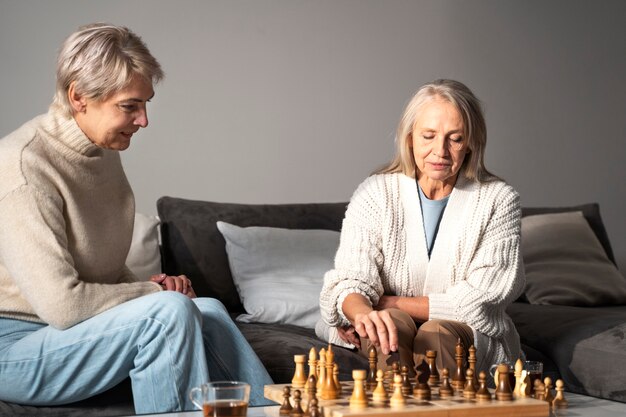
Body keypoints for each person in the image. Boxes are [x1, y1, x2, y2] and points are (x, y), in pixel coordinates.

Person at [0, 23, 272, 413]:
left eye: (145, 104)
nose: (143, 120)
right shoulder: (23, 169)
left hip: (68, 335)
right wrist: (156, 294)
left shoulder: (102, 154)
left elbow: (99, 271)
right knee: (167, 314)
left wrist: (153, 290)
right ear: (79, 97)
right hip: (13, 348)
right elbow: (63, 306)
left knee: (207, 310)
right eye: (129, 106)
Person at [317, 79, 524, 378]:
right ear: (410, 137)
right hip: (388, 323)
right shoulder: (375, 192)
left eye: (455, 138)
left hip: (459, 333)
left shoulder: (499, 199)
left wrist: (392, 301)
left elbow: (482, 299)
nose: (440, 151)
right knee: (388, 326)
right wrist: (363, 313)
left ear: (471, 143)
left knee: (436, 333)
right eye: (428, 136)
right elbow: (351, 279)